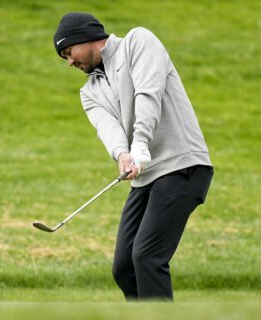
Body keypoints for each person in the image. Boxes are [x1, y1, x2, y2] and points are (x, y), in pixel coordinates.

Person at [53, 12, 214, 301]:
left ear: (84, 38)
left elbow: (148, 94)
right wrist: (123, 154)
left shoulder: (138, 42)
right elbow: (107, 128)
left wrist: (140, 143)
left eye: (69, 52)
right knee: (124, 266)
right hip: (145, 176)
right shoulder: (89, 91)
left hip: (182, 165)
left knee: (147, 257)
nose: (70, 62)